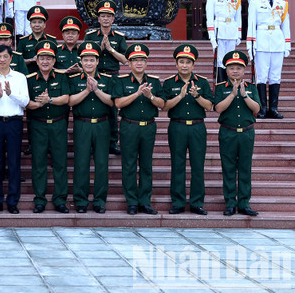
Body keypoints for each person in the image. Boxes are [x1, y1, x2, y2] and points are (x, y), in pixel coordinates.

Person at [113, 44, 164, 215]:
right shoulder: (122, 81)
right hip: (129, 126)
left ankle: (145, 201)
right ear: (129, 62)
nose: (139, 63)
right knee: (128, 164)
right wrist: (137, 93)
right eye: (135, 60)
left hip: (148, 126)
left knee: (146, 165)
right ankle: (132, 202)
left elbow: (162, 104)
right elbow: (118, 103)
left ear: (147, 62)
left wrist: (150, 96)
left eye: (142, 60)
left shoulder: (154, 82)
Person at [162, 44, 212, 216]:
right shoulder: (169, 83)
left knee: (198, 165)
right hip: (177, 126)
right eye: (181, 62)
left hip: (198, 126)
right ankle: (178, 202)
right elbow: (164, 106)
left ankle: (197, 203)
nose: (184, 65)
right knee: (178, 165)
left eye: (188, 62)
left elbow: (210, 106)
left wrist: (197, 95)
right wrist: (180, 96)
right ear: (176, 64)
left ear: (193, 64)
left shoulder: (202, 82)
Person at [0, 44, 30, 214]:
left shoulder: (19, 78)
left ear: (11, 58)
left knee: (13, 162)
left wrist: (11, 94)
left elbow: (25, 102)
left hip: (14, 122)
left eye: (5, 56)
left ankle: (12, 201)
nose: (2, 60)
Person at [214, 50, 261, 216]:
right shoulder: (221, 88)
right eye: (231, 67)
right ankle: (230, 203)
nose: (235, 71)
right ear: (226, 70)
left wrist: (244, 96)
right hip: (228, 132)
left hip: (247, 133)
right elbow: (218, 108)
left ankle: (244, 203)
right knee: (228, 168)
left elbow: (257, 109)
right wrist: (233, 94)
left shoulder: (251, 87)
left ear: (244, 70)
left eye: (239, 67)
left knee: (245, 168)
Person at [26, 41, 71, 213]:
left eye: (48, 58)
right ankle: (40, 199)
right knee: (39, 163)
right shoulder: (30, 80)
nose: (45, 61)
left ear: (54, 61)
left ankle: (60, 199)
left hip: (58, 123)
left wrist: (49, 100)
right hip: (38, 125)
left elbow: (66, 98)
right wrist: (38, 104)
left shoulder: (61, 76)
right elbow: (26, 102)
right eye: (42, 58)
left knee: (60, 163)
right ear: (36, 61)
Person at [68, 42, 113, 214]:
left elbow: (112, 102)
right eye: (85, 60)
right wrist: (87, 91)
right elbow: (70, 101)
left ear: (97, 61)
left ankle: (100, 201)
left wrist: (97, 90)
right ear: (80, 62)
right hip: (82, 124)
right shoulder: (73, 80)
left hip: (102, 124)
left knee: (102, 164)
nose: (88, 63)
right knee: (81, 163)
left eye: (92, 60)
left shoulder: (107, 80)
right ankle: (81, 200)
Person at [84, 0, 128, 156]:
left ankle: (112, 142)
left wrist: (110, 49)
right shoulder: (90, 35)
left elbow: (125, 60)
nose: (106, 19)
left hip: (112, 77)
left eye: (109, 16)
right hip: (94, 75)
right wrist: (99, 49)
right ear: (98, 18)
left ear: (113, 19)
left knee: (112, 110)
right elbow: (83, 56)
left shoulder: (119, 37)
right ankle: (90, 142)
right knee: (91, 107)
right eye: (103, 16)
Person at [247, 0, 290, 119]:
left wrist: (287, 44)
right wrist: (250, 45)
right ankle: (262, 108)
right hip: (261, 41)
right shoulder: (255, 3)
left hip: (277, 41)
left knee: (275, 76)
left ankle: (274, 108)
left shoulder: (282, 3)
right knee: (262, 76)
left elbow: (286, 25)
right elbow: (251, 25)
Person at [207, 0, 242, 84]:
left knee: (231, 60)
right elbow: (210, 18)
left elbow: (238, 17)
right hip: (219, 31)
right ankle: (221, 88)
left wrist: (239, 34)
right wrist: (212, 36)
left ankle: (230, 86)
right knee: (220, 61)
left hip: (232, 31)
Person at [17, 6, 57, 72]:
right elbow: (18, 61)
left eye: (40, 22)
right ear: (30, 25)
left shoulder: (51, 40)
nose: (37, 25)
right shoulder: (23, 41)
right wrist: (31, 60)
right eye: (34, 22)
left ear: (45, 25)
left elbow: (56, 60)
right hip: (29, 76)